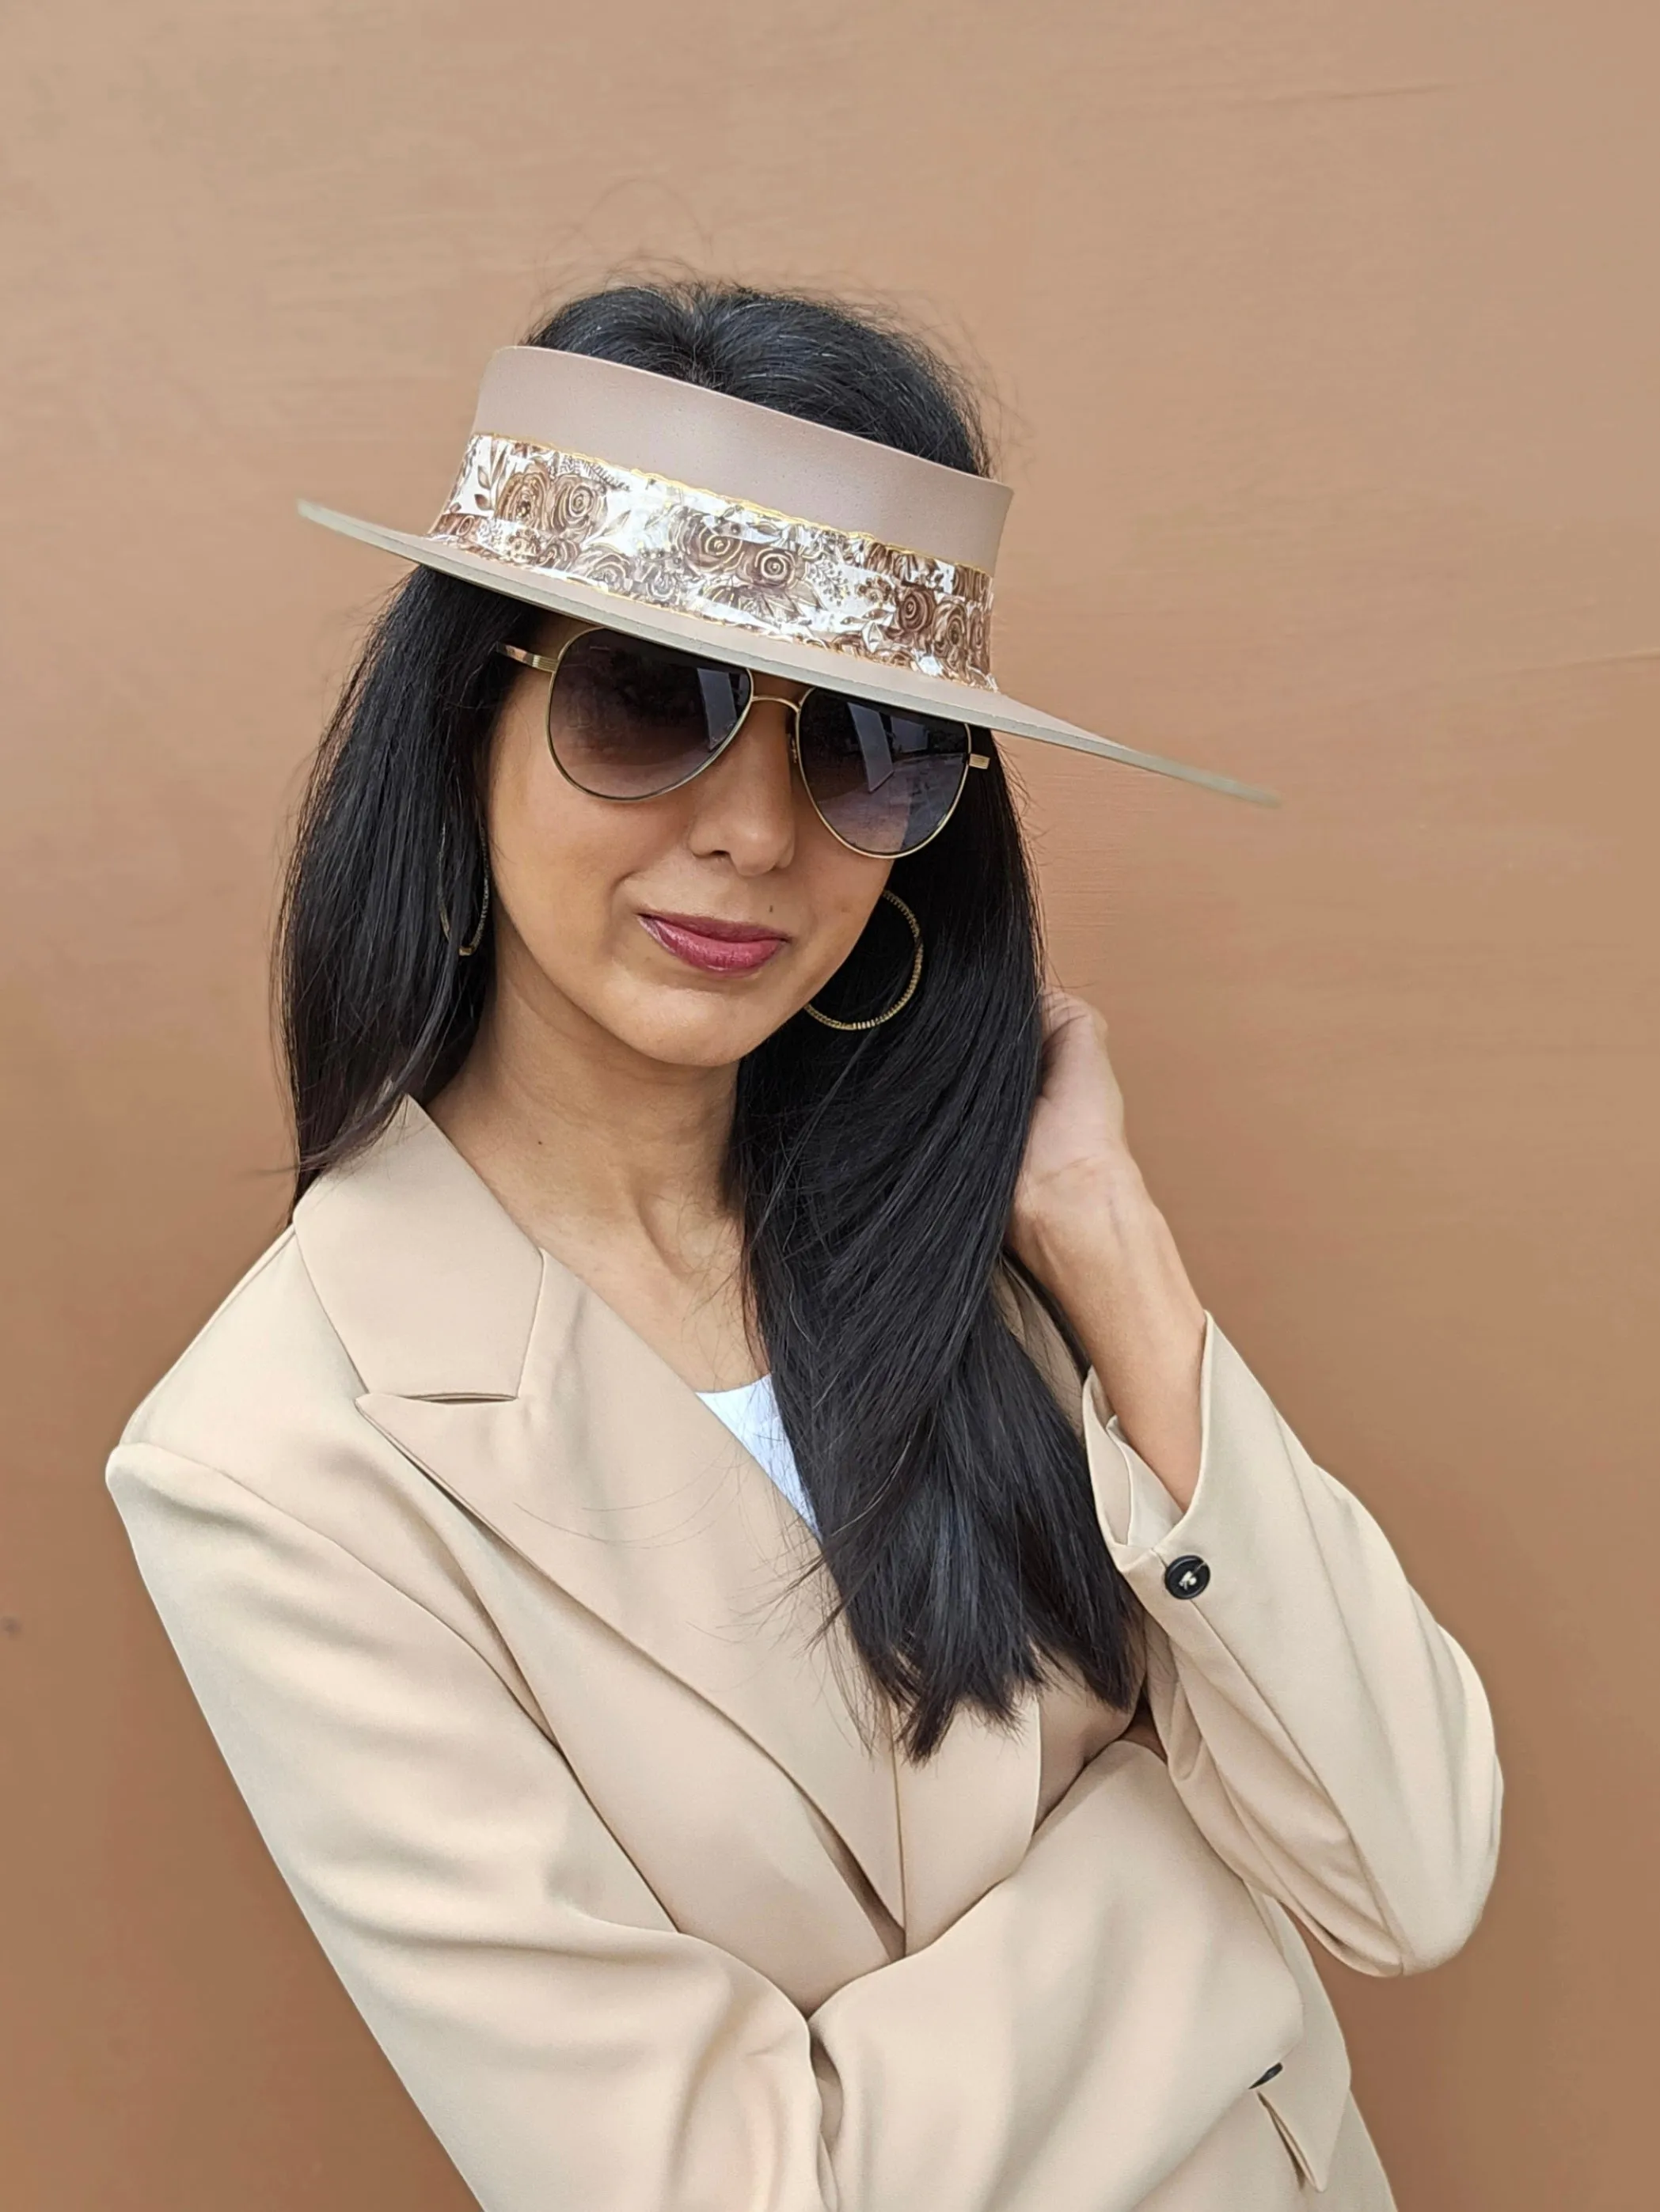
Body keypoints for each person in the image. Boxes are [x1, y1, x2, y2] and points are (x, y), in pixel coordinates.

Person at [106, 279, 1500, 2211]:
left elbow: (1407, 1863)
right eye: (642, 699)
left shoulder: (976, 1245)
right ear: (468, 720)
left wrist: (1116, 1255)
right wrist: (1201, 1864)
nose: (757, 828)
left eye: (866, 743)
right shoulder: (274, 1460)